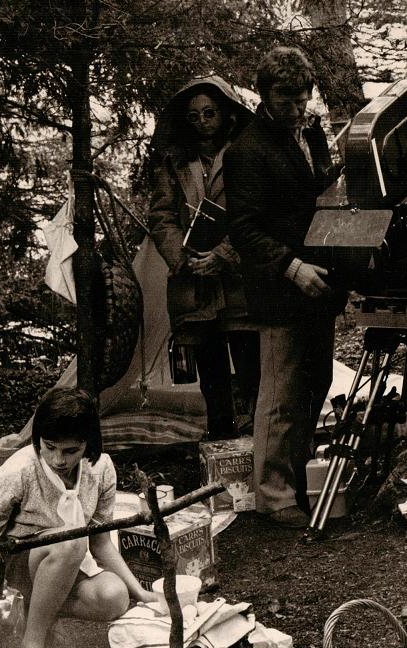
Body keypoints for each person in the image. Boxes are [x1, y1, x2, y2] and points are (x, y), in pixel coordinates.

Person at [225, 47, 346, 528]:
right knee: (279, 395)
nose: (296, 109)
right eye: (285, 100)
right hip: (281, 289)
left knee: (315, 382)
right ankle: (274, 497)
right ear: (264, 94)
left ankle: (298, 478)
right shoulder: (246, 150)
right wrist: (293, 268)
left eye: (302, 98)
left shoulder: (311, 133)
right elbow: (245, 230)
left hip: (320, 284)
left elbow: (310, 193)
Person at [0, 388, 157, 648]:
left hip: (63, 566)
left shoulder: (101, 469)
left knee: (114, 596)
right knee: (71, 542)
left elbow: (101, 543)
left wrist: (141, 594)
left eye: (71, 451)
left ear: (88, 445)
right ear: (38, 440)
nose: (58, 460)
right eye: (50, 447)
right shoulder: (18, 472)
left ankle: (37, 612)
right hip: (14, 567)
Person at [148, 76, 260, 439]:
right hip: (194, 284)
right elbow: (161, 215)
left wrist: (224, 254)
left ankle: (258, 442)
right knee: (210, 372)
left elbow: (257, 212)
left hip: (241, 284)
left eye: (209, 113)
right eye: (194, 115)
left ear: (226, 114)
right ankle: (221, 443)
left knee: (250, 366)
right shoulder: (175, 163)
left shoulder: (245, 154)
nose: (202, 122)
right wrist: (183, 256)